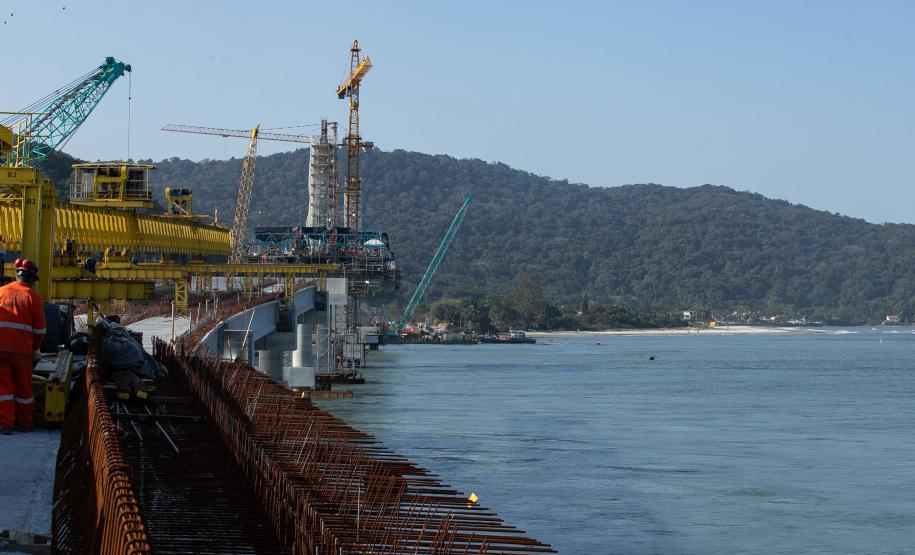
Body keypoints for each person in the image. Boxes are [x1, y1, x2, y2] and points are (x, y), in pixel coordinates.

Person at [0, 259, 46, 434]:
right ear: (32, 279)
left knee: (3, 388)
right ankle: (25, 423)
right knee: (24, 388)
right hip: (22, 350)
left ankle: (5, 424)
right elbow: (40, 330)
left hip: (0, 349)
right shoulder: (32, 297)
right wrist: (35, 348)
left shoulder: (1, 291)